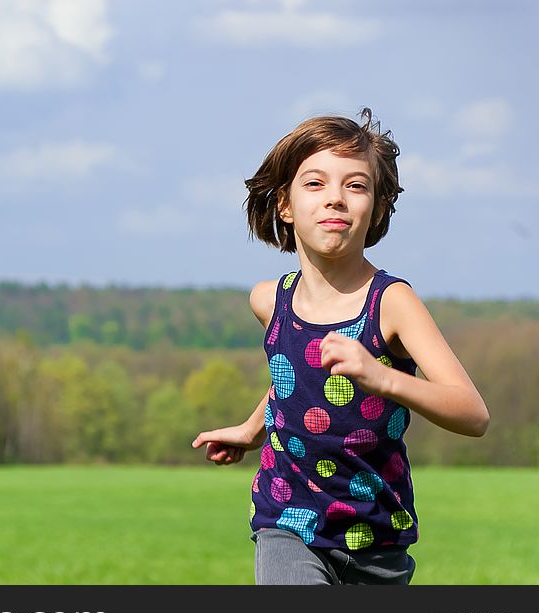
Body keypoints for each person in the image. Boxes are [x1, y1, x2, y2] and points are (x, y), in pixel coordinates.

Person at [191, 108, 490, 585]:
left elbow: (473, 414)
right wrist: (252, 431)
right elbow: (295, 383)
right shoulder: (270, 300)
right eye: (315, 184)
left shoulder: (391, 303)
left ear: (376, 206)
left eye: (355, 185)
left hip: (376, 537)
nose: (335, 198)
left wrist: (383, 377)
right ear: (284, 205)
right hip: (287, 522)